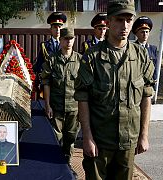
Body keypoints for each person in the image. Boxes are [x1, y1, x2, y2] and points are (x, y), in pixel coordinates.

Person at [74, 0, 154, 179]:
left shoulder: (140, 55)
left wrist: (144, 135)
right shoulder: (92, 57)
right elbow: (82, 97)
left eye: (129, 19)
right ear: (109, 22)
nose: (125, 25)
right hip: (99, 141)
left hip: (128, 141)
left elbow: (146, 96)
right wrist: (87, 137)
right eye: (119, 19)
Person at [41, 28, 81, 178]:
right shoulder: (52, 60)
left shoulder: (80, 60)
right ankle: (53, 167)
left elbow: (84, 87)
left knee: (70, 139)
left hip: (74, 108)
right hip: (56, 108)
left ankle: (67, 165)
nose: (68, 41)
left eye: (71, 38)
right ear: (60, 40)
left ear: (74, 40)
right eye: (65, 39)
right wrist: (47, 105)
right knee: (55, 139)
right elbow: (46, 83)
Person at [132, 16, 158, 93]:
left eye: (147, 32)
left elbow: (155, 68)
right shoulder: (132, 48)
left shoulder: (153, 49)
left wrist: (154, 85)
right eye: (142, 32)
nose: (145, 34)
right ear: (136, 33)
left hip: (149, 86)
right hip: (136, 86)